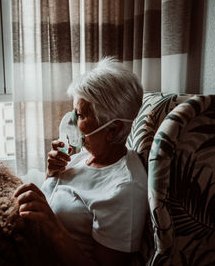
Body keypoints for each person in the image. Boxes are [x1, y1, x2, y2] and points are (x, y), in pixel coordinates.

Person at [14, 57, 148, 265]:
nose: (72, 122)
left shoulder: (124, 189)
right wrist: (51, 174)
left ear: (112, 129)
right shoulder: (85, 155)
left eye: (80, 115)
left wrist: (51, 224)